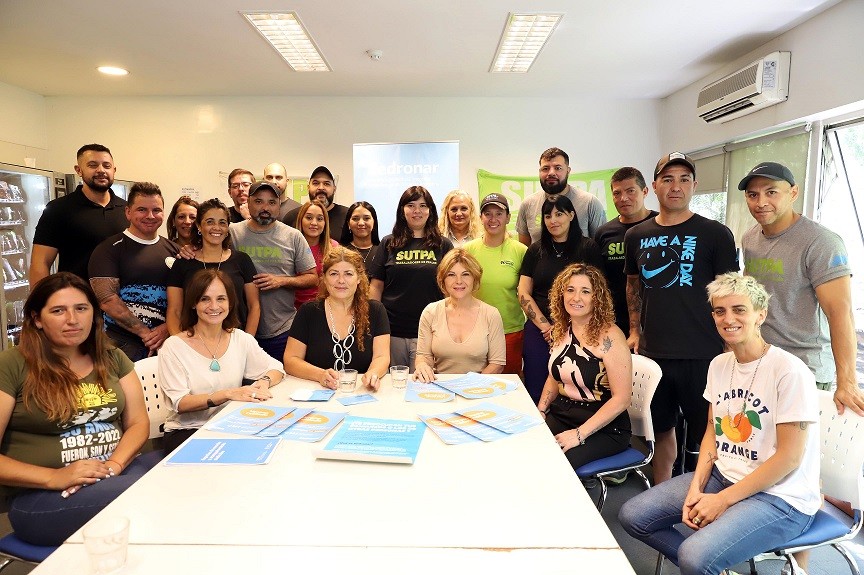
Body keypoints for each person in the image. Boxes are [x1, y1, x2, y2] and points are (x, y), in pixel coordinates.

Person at [619, 273, 820, 575]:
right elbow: (713, 432)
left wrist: (722, 501)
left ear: (760, 314)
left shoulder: (789, 371)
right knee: (633, 515)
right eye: (719, 311)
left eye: (739, 310)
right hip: (724, 476)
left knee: (694, 556)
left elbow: (789, 458)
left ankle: (706, 565)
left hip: (781, 498)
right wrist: (696, 488)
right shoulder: (718, 364)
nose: (728, 319)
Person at [0, 272, 159, 546]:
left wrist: (114, 466)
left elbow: (137, 423)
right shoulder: (12, 364)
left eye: (81, 308)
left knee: (186, 470)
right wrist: (54, 476)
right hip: (44, 496)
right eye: (58, 311)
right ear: (37, 319)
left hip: (115, 472)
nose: (73, 319)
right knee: (151, 493)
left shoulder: (111, 357)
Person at [624, 152, 738, 484]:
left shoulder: (715, 233)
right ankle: (662, 495)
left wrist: (731, 343)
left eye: (684, 179)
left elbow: (730, 292)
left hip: (703, 354)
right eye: (668, 179)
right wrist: (634, 330)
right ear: (654, 186)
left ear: (694, 186)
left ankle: (710, 498)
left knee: (711, 435)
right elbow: (632, 285)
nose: (676, 187)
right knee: (660, 431)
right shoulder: (636, 235)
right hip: (654, 354)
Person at [739, 161, 864, 416]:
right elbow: (752, 298)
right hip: (762, 362)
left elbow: (840, 312)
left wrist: (847, 381)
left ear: (793, 193)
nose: (761, 202)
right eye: (753, 195)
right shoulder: (750, 239)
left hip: (805, 369)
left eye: (771, 192)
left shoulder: (821, 242)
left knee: (797, 443)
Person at [159, 269, 285, 454]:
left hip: (231, 426)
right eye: (205, 299)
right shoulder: (173, 347)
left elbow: (276, 368)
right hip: (189, 431)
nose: (214, 306)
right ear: (193, 303)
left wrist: (263, 382)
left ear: (230, 302)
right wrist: (227, 394)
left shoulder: (240, 338)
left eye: (221, 299)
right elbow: (180, 403)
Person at [536, 263, 632, 472]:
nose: (576, 298)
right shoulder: (561, 330)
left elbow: (622, 399)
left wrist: (579, 435)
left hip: (604, 426)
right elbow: (554, 377)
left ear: (597, 298)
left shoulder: (610, 336)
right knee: (528, 447)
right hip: (563, 414)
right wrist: (541, 410)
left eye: (585, 291)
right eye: (570, 290)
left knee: (557, 465)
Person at [518, 196, 603, 404]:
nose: (553, 220)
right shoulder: (535, 250)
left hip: (579, 329)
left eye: (559, 214)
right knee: (536, 388)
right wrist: (546, 327)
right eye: (548, 216)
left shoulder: (588, 248)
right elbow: (523, 292)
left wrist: (565, 327)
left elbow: (598, 292)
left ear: (571, 215)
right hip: (540, 330)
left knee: (573, 387)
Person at [89, 182, 179, 361]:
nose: (150, 216)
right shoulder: (108, 249)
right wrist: (146, 334)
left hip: (168, 344)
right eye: (142, 210)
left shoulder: (175, 250)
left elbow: (186, 298)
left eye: (156, 210)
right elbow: (107, 300)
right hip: (120, 346)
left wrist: (167, 328)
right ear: (128, 212)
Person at [229, 181, 317, 360]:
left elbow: (312, 278)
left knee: (284, 376)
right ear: (248, 203)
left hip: (282, 330)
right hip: (238, 330)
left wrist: (282, 281)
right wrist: (188, 249)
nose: (265, 208)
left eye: (271, 202)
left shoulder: (293, 236)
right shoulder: (232, 233)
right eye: (259, 201)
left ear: (279, 206)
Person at [369, 186, 454, 370]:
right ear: (402, 210)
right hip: (392, 331)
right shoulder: (388, 243)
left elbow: (452, 288)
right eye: (411, 205)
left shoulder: (443, 245)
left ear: (430, 211)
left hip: (430, 332)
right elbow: (376, 286)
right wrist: (374, 322)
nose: (417, 211)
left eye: (423, 206)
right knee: (393, 383)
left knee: (423, 383)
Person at [285, 247, 390, 391]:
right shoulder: (308, 311)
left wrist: (373, 373)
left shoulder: (376, 310)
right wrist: (319, 375)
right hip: (316, 392)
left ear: (359, 278)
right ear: (324, 278)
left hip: (361, 392)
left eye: (348, 274)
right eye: (334, 274)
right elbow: (291, 360)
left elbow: (382, 357)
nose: (341, 280)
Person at [30, 143, 128, 284]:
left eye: (106, 166)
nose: (101, 170)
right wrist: (41, 297)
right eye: (93, 165)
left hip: (122, 296)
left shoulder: (127, 209)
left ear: (114, 170)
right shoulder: (58, 209)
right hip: (76, 295)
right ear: (79, 170)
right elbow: (40, 263)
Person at [166, 198, 260, 336]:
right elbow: (174, 311)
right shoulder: (183, 263)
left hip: (235, 340)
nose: (216, 227)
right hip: (193, 341)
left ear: (227, 228)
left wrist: (247, 342)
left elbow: (254, 306)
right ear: (199, 226)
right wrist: (179, 344)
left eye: (222, 222)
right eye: (210, 222)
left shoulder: (242, 260)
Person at [414, 249, 506, 381]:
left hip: (479, 386)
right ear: (443, 280)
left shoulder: (491, 314)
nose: (459, 281)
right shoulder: (430, 312)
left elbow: (497, 364)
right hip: (440, 385)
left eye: (465, 274)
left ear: (474, 278)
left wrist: (469, 386)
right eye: (451, 275)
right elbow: (423, 356)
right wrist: (422, 365)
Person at [463, 192, 527, 375]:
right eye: (488, 214)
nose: (493, 219)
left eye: (499, 214)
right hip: (473, 330)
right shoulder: (468, 250)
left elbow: (527, 292)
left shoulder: (521, 251)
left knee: (508, 384)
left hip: (510, 332)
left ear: (508, 217)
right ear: (480, 217)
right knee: (472, 383)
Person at [593, 167, 657, 335]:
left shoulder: (661, 226)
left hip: (657, 318)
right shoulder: (603, 233)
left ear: (645, 191)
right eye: (617, 193)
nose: (623, 198)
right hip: (615, 321)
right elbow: (598, 280)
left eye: (630, 191)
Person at [516, 147, 606, 245]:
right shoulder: (527, 204)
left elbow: (600, 246)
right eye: (545, 168)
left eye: (558, 168)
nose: (551, 173)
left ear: (568, 171)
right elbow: (524, 249)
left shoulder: (589, 202)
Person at [284, 166, 349, 244]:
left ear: (334, 189)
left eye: (326, 184)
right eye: (316, 183)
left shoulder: (348, 215)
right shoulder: (292, 217)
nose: (321, 188)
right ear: (308, 188)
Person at [293, 200, 339, 308]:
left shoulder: (334, 247)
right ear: (301, 220)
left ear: (325, 223)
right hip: (292, 308)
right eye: (309, 218)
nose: (314, 223)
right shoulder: (290, 246)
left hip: (324, 307)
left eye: (319, 219)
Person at [341, 201, 381, 275]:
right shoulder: (341, 252)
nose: (361, 223)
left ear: (374, 222)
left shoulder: (383, 251)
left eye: (366, 218)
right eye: (355, 219)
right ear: (348, 223)